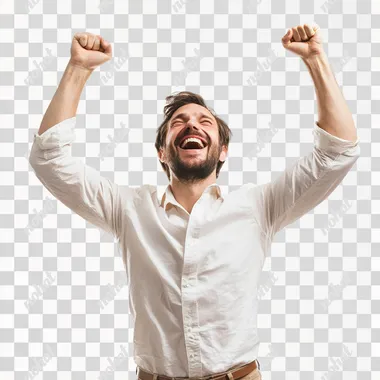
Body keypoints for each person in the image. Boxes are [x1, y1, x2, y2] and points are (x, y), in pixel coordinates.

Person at [28, 24, 360, 380]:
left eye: (205, 122)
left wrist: (315, 60)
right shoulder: (128, 209)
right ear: (162, 151)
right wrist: (79, 69)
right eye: (178, 122)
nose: (192, 126)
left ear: (222, 151)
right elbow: (50, 161)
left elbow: (337, 153)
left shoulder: (261, 206)